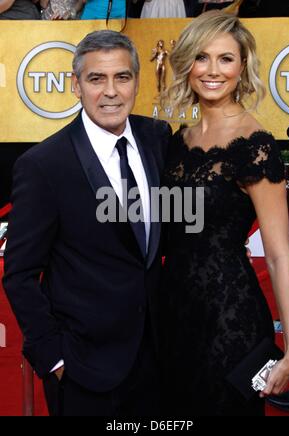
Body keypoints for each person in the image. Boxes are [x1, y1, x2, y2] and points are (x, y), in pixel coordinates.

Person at [3, 30, 171, 416]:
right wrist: (55, 360)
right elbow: (20, 274)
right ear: (76, 86)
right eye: (97, 79)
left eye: (122, 77)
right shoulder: (44, 165)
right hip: (84, 372)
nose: (110, 91)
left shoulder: (157, 138)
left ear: (136, 82)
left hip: (157, 363)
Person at [159, 10, 289, 416]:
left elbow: (277, 255)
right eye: (202, 57)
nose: (212, 70)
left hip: (229, 318)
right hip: (173, 314)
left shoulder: (254, 145)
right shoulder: (178, 141)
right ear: (187, 64)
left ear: (242, 67)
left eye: (226, 59)